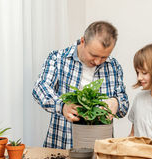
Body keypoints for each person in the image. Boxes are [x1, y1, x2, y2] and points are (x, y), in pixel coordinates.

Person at [32, 21, 129, 149]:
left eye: (104, 57)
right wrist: (62, 106)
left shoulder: (113, 66)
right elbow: (40, 89)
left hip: (99, 151)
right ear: (83, 41)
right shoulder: (58, 58)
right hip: (62, 145)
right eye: (93, 55)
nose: (98, 61)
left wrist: (116, 103)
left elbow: (124, 104)